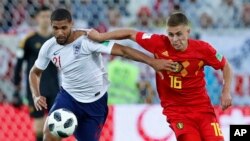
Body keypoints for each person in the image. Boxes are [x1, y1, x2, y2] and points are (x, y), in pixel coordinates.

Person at [29, 8, 176, 141]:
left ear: (71, 24)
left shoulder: (88, 40)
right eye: (55, 28)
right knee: (49, 133)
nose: (59, 32)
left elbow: (123, 51)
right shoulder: (49, 47)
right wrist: (36, 95)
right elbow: (34, 72)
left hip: (95, 102)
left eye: (64, 28)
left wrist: (152, 62)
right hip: (68, 97)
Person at [87, 12, 233, 141]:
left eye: (179, 34)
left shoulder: (203, 49)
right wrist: (101, 36)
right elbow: (131, 34)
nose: (175, 39)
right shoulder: (159, 43)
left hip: (203, 110)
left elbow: (225, 66)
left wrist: (226, 91)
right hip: (177, 112)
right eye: (171, 35)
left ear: (188, 32)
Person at [12, 6, 59, 141]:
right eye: (43, 16)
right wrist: (16, 90)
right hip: (35, 89)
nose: (45, 20)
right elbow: (19, 65)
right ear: (37, 18)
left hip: (54, 87)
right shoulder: (28, 39)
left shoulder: (56, 40)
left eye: (48, 17)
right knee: (38, 127)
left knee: (55, 126)